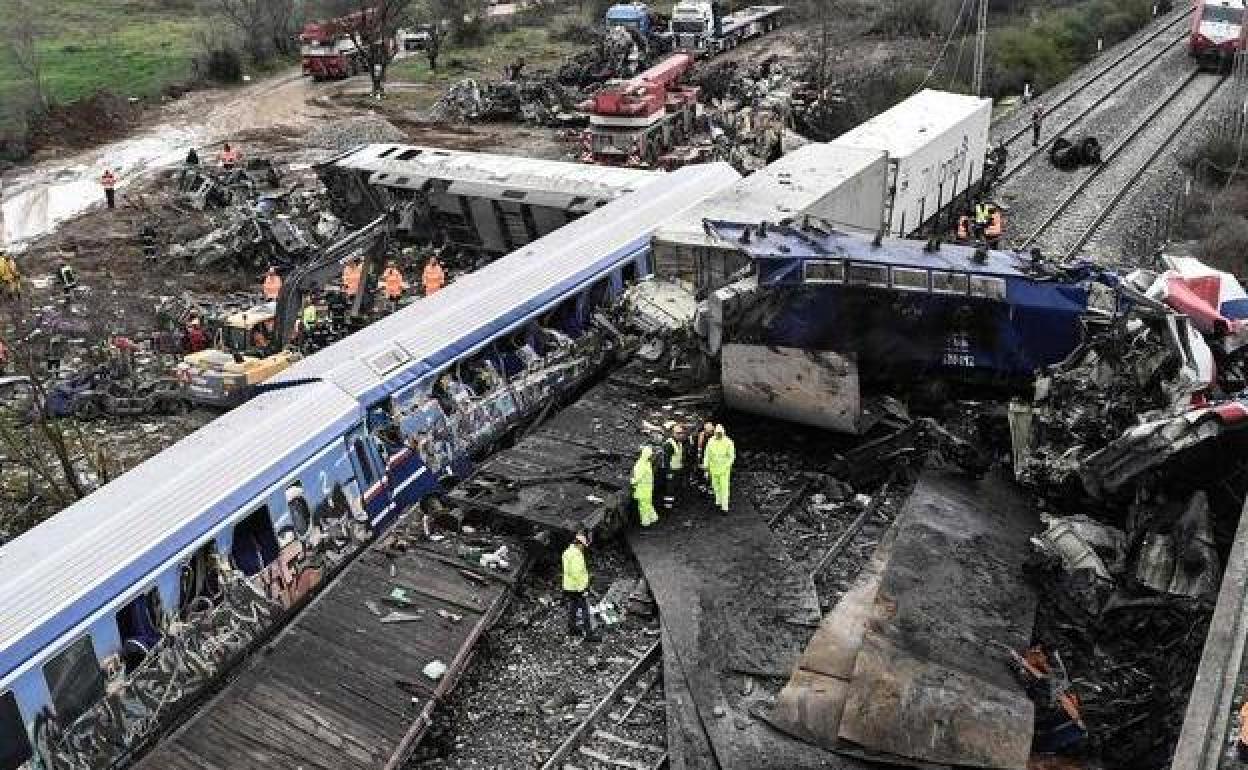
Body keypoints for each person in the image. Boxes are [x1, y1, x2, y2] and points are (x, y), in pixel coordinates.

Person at [562, 530, 598, 641]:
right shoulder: (577, 555)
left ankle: (572, 628)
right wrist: (583, 589)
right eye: (583, 546)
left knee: (573, 607)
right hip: (577, 588)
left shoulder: (567, 552)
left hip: (568, 587)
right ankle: (589, 635)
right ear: (579, 544)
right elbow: (576, 573)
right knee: (585, 610)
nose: (583, 548)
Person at [702, 424, 735, 514]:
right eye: (717, 433)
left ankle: (725, 507)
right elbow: (707, 455)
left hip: (724, 469)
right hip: (713, 468)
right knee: (715, 486)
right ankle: (718, 501)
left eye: (720, 433)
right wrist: (705, 466)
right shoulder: (711, 441)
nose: (719, 434)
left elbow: (731, 457)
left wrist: (727, 466)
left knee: (724, 488)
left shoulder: (728, 442)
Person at [633, 445, 658, 527]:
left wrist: (632, 481)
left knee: (643, 506)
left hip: (642, 489)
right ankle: (653, 517)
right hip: (648, 488)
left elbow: (638, 478)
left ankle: (646, 522)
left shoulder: (640, 464)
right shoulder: (648, 463)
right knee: (648, 504)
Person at [663, 424, 686, 510]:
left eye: (681, 433)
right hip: (672, 470)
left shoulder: (679, 443)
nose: (680, 435)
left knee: (677, 487)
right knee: (670, 489)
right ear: (673, 433)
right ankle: (668, 506)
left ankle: (675, 504)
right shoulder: (669, 444)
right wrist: (668, 472)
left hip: (678, 469)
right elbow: (666, 460)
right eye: (678, 433)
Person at [696, 421, 715, 491]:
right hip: (704, 456)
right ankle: (702, 484)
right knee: (702, 470)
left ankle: (710, 486)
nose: (709, 433)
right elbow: (699, 447)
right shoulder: (701, 436)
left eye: (711, 431)